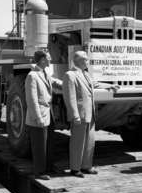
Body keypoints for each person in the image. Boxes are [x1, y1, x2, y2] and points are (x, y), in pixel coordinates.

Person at [62, 51, 119, 178]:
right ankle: (75, 168)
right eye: (86, 60)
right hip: (80, 114)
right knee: (78, 142)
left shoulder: (86, 74)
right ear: (78, 61)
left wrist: (110, 86)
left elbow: (96, 84)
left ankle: (86, 166)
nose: (88, 62)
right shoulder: (70, 75)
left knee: (89, 142)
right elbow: (70, 98)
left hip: (90, 113)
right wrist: (74, 115)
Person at [25, 50, 62, 180]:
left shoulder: (44, 72)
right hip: (39, 115)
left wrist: (69, 84)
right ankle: (39, 172)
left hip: (48, 113)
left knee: (49, 142)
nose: (50, 59)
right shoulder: (32, 76)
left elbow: (54, 82)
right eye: (49, 58)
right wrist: (38, 117)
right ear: (42, 60)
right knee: (39, 145)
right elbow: (31, 99)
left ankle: (49, 166)